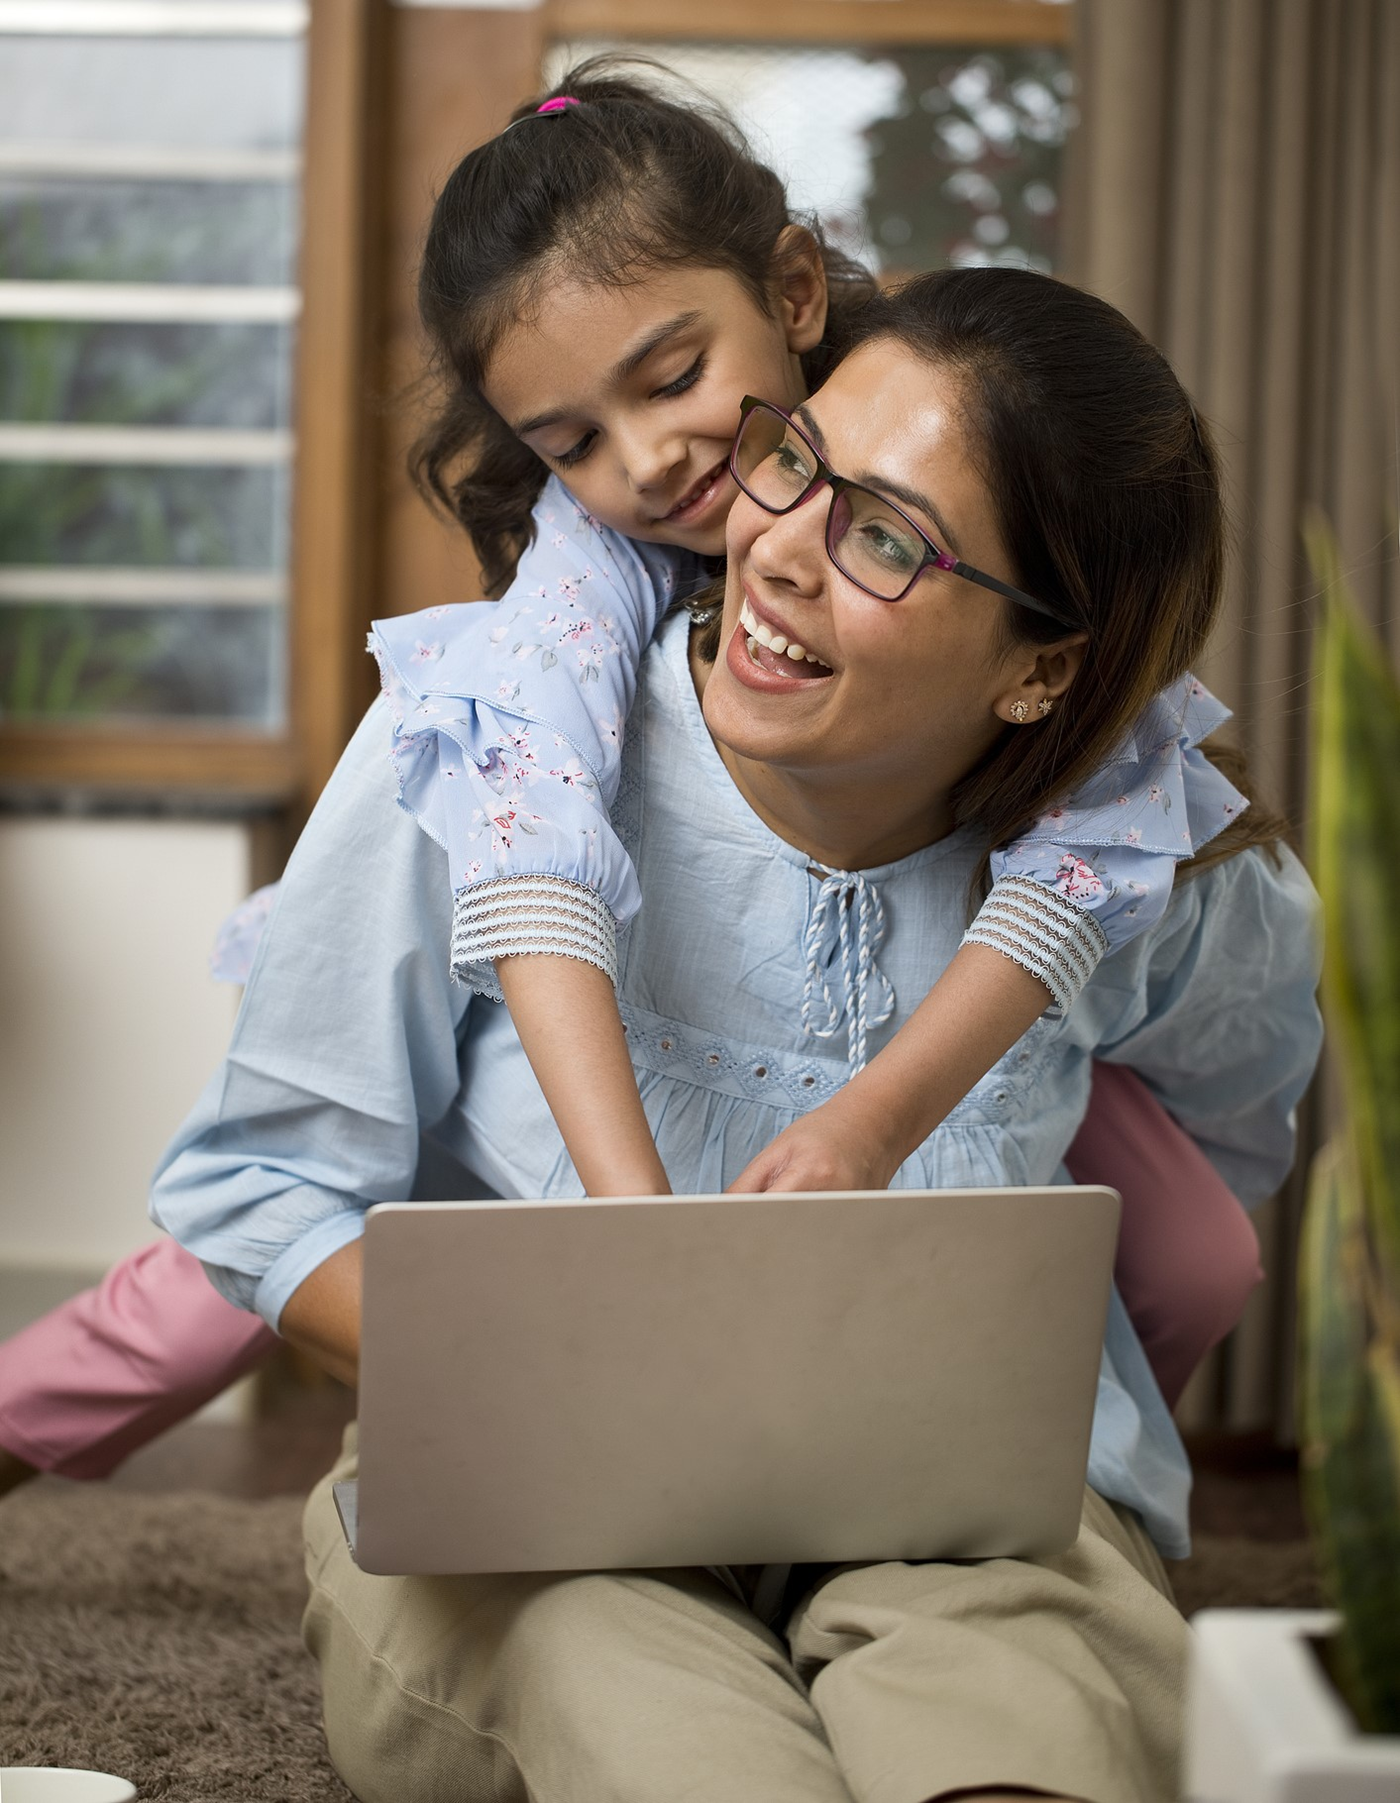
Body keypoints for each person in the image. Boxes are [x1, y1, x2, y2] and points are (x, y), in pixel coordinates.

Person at [0, 66, 1266, 1501]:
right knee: (222, 1264)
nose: (654, 462)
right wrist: (635, 1234)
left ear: (795, 292)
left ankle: (1049, 1469)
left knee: (1197, 1248)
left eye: (671, 382)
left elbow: (1112, 804)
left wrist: (883, 1123)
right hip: (555, 988)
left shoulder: (940, 428)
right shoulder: (590, 576)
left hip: (967, 998)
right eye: (573, 442)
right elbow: (528, 832)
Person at [149, 260, 1321, 1802]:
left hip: (955, 1496)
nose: (780, 555)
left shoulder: (1151, 880)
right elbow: (256, 1188)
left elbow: (1230, 1123)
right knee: (636, 1699)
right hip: (543, 1494)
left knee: (1014, 1701)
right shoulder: (484, 762)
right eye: (797, 463)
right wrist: (571, 1351)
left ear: (1043, 668)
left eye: (890, 538)